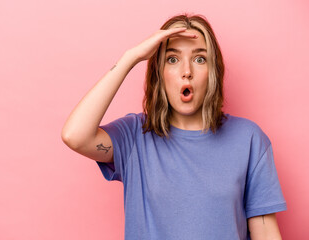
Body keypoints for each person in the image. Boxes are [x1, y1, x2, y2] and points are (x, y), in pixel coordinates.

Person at [61, 13, 287, 240]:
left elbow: (266, 233)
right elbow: (75, 135)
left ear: (213, 73)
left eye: (200, 59)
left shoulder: (248, 139)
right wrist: (131, 58)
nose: (186, 71)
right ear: (159, 73)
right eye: (172, 59)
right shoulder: (134, 137)